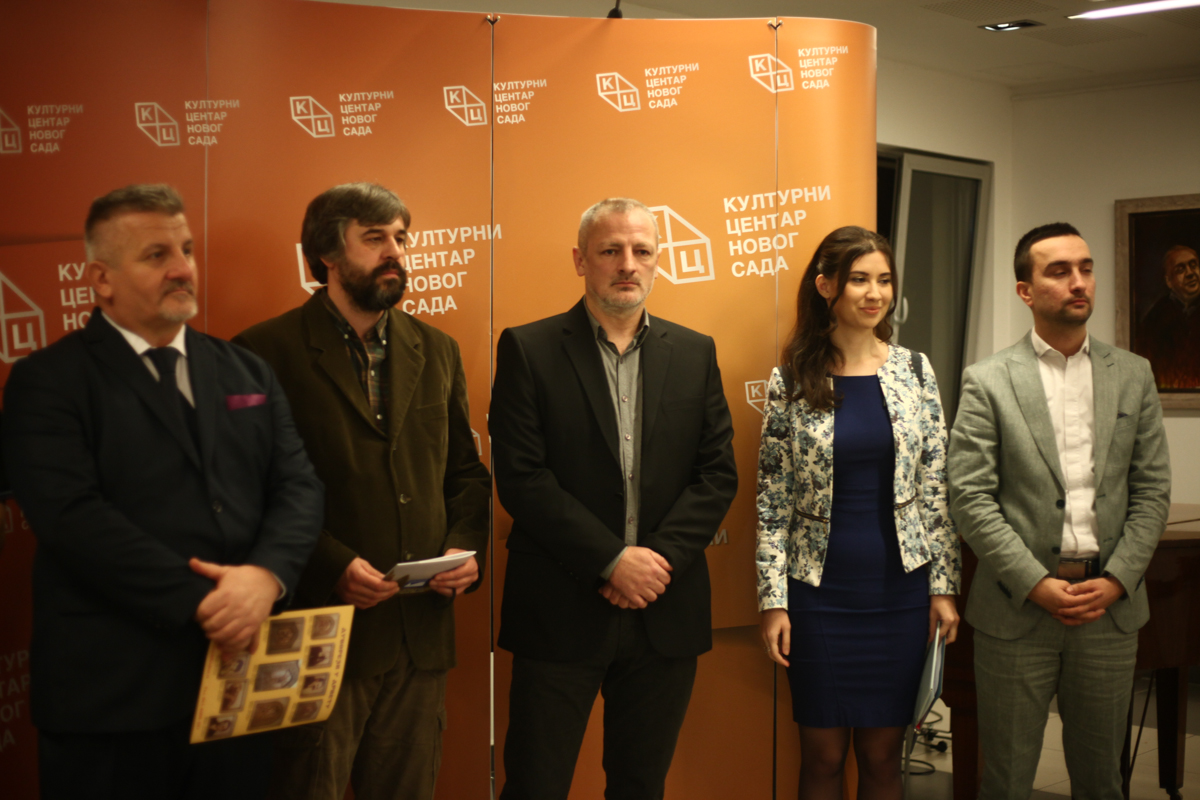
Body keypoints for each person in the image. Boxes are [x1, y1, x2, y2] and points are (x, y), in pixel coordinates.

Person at [0, 184, 324, 799]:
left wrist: (265, 578)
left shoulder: (244, 368)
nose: (182, 268)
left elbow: (298, 486)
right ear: (101, 278)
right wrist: (208, 603)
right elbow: (72, 519)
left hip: (237, 691)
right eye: (156, 255)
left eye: (187, 249)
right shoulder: (47, 381)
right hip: (113, 700)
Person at [234, 182, 490, 800]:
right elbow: (247, 492)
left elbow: (466, 474)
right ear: (327, 253)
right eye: (374, 238)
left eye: (401, 237)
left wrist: (465, 550)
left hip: (418, 636)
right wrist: (329, 566)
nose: (395, 251)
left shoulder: (438, 350)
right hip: (317, 633)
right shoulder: (262, 352)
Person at [489, 197, 738, 799]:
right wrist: (611, 560)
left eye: (642, 251)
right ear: (581, 260)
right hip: (559, 609)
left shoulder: (696, 351)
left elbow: (716, 474)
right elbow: (522, 477)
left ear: (657, 259)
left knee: (640, 786)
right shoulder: (528, 348)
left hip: (664, 610)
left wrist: (654, 564)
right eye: (610, 250)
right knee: (535, 786)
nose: (628, 264)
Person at [948, 222, 1171, 800]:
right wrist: (1035, 583)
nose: (1079, 282)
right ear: (1025, 291)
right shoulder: (988, 380)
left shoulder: (1134, 374)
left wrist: (1118, 580)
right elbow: (969, 496)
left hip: (1108, 610)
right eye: (1060, 271)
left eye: (1086, 268)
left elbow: (1152, 491)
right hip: (1016, 610)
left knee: (1103, 782)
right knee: (1007, 781)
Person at [756, 226, 961, 800]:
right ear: (826, 287)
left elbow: (935, 488)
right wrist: (773, 600)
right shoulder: (791, 380)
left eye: (885, 280)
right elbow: (772, 500)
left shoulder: (915, 371)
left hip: (900, 592)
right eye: (860, 280)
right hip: (818, 594)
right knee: (822, 758)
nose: (875, 294)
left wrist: (943, 588)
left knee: (881, 757)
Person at [1136, 244, 1200, 388]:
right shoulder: (1155, 319)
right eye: (1180, 270)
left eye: (1193, 265)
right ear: (1169, 282)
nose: (1190, 273)